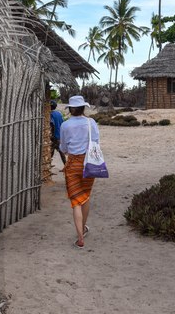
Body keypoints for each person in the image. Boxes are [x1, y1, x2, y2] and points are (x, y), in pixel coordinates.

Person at [59, 95, 100, 249]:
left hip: (73, 165)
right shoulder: (91, 122)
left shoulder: (65, 125)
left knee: (76, 200)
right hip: (89, 163)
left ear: (70, 109)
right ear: (83, 108)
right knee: (86, 196)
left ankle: (80, 238)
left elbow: (63, 148)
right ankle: (83, 228)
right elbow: (96, 142)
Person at [49, 100, 67, 167]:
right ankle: (65, 166)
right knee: (59, 151)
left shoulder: (50, 114)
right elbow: (63, 123)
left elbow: (52, 124)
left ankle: (48, 164)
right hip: (60, 135)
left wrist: (52, 135)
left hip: (54, 136)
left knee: (51, 150)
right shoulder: (59, 114)